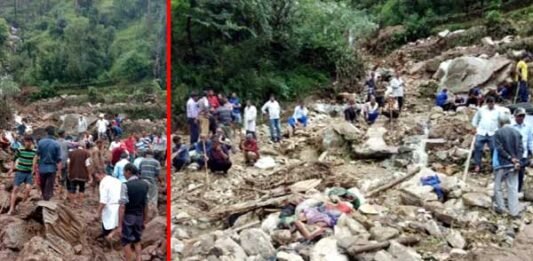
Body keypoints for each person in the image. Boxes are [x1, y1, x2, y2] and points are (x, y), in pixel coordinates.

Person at [493, 114, 523, 218]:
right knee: (513, 187)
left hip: (502, 164)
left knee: (498, 187)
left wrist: (510, 158)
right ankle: (514, 212)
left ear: (500, 122)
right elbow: (521, 149)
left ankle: (501, 208)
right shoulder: (517, 133)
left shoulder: (498, 133)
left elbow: (500, 149)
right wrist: (517, 161)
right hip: (515, 165)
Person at [118, 164, 149, 261]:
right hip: (139, 216)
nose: (123, 174)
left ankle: (129, 259)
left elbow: (122, 206)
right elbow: (146, 204)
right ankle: (139, 258)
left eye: (124, 172)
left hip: (129, 216)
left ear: (128, 172)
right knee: (137, 240)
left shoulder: (125, 185)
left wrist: (119, 225)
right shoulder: (145, 184)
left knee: (126, 241)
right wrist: (145, 220)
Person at [7, 135, 36, 215]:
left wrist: (34, 171)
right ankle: (11, 208)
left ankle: (22, 204)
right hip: (19, 172)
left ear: (31, 142)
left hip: (28, 173)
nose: (27, 143)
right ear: (24, 142)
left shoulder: (34, 151)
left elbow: (36, 162)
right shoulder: (20, 150)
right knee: (15, 189)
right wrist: (11, 169)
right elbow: (14, 159)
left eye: (29, 141)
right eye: (26, 141)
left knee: (28, 189)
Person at [471, 97, 500, 173]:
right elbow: (475, 119)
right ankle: (477, 165)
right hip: (481, 132)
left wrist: (499, 130)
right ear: (487, 103)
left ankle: (493, 165)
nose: (491, 104)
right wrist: (474, 127)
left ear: (494, 102)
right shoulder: (482, 110)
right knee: (478, 148)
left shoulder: (498, 110)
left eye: (492, 102)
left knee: (494, 149)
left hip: (492, 132)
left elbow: (502, 120)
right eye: (489, 103)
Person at [94, 168, 122, 240]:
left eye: (96, 177)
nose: (96, 179)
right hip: (120, 205)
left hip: (111, 207)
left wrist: (98, 213)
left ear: (100, 174)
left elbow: (103, 201)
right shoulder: (116, 180)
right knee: (117, 224)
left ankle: (108, 238)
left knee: (108, 225)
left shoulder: (103, 183)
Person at [36, 126, 62, 201]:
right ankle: (47, 200)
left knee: (43, 185)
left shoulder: (40, 142)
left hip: (42, 168)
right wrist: (59, 172)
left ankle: (44, 197)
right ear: (54, 133)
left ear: (46, 132)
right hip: (52, 168)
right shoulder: (56, 144)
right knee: (49, 186)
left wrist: (35, 167)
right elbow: (59, 160)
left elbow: (37, 155)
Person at [512, 108, 533, 195]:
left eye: (523, 116)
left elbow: (530, 141)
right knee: (511, 173)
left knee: (520, 173)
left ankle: (518, 191)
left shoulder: (528, 127)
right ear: (515, 116)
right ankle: (510, 190)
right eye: (519, 116)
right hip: (512, 154)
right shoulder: (510, 127)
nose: (521, 118)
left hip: (523, 154)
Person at [139, 150, 162, 216]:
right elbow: (158, 174)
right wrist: (161, 182)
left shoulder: (142, 161)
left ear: (146, 155)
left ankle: (144, 213)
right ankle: (153, 214)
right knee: (153, 198)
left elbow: (139, 172)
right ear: (153, 155)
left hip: (143, 182)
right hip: (152, 182)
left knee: (145, 198)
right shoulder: (156, 162)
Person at [57, 130, 70, 198]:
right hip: (64, 162)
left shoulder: (56, 142)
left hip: (57, 162)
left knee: (59, 177)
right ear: (63, 134)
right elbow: (74, 144)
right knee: (63, 177)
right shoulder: (66, 142)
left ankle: (59, 192)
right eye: (65, 133)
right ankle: (60, 193)